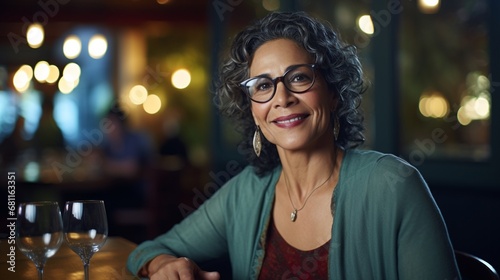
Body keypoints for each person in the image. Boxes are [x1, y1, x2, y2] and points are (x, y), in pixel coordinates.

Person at [127, 11, 461, 279]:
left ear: (332, 93)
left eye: (299, 77)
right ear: (252, 110)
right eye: (262, 86)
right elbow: (149, 249)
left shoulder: (393, 186)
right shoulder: (246, 192)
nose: (282, 98)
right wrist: (162, 265)